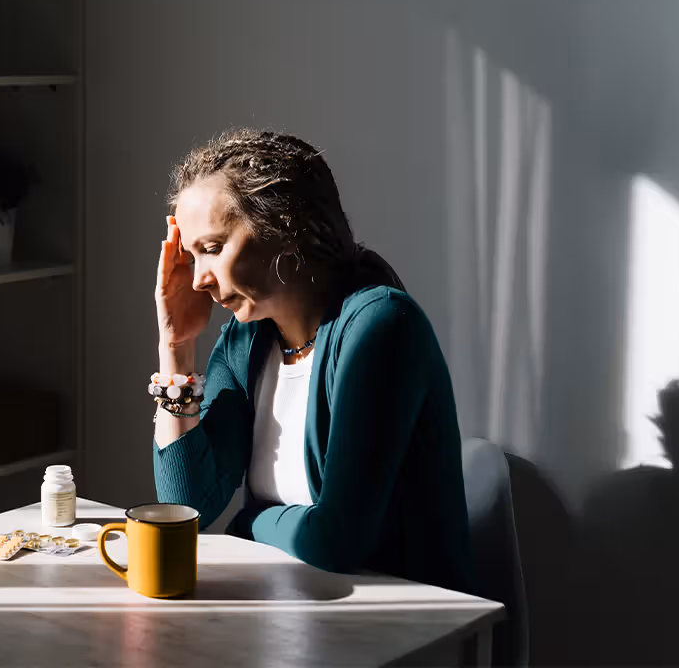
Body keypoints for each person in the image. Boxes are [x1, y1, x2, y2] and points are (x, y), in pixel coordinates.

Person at [151, 127, 474, 592]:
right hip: (294, 608)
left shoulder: (381, 326)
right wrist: (175, 345)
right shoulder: (247, 341)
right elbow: (186, 507)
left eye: (213, 249)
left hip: (407, 622)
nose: (198, 279)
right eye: (190, 256)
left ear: (284, 227)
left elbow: (337, 542)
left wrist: (250, 520)